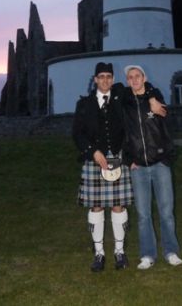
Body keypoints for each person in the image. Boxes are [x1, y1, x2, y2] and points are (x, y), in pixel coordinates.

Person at [72, 61, 165, 272]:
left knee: (118, 205)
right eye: (101, 77)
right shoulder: (84, 104)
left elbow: (143, 86)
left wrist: (151, 98)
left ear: (113, 79)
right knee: (96, 206)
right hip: (94, 159)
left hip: (118, 158)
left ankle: (119, 252)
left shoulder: (120, 96)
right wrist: (92, 152)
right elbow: (77, 133)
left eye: (108, 77)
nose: (105, 80)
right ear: (95, 79)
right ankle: (99, 254)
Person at [122, 64, 182, 270]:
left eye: (138, 76)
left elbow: (168, 125)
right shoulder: (125, 103)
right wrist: (128, 158)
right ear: (127, 81)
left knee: (166, 211)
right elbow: (122, 133)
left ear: (144, 77)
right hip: (138, 167)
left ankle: (171, 251)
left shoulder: (155, 98)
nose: (134, 80)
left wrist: (167, 156)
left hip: (160, 164)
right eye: (130, 77)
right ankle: (147, 254)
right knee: (143, 214)